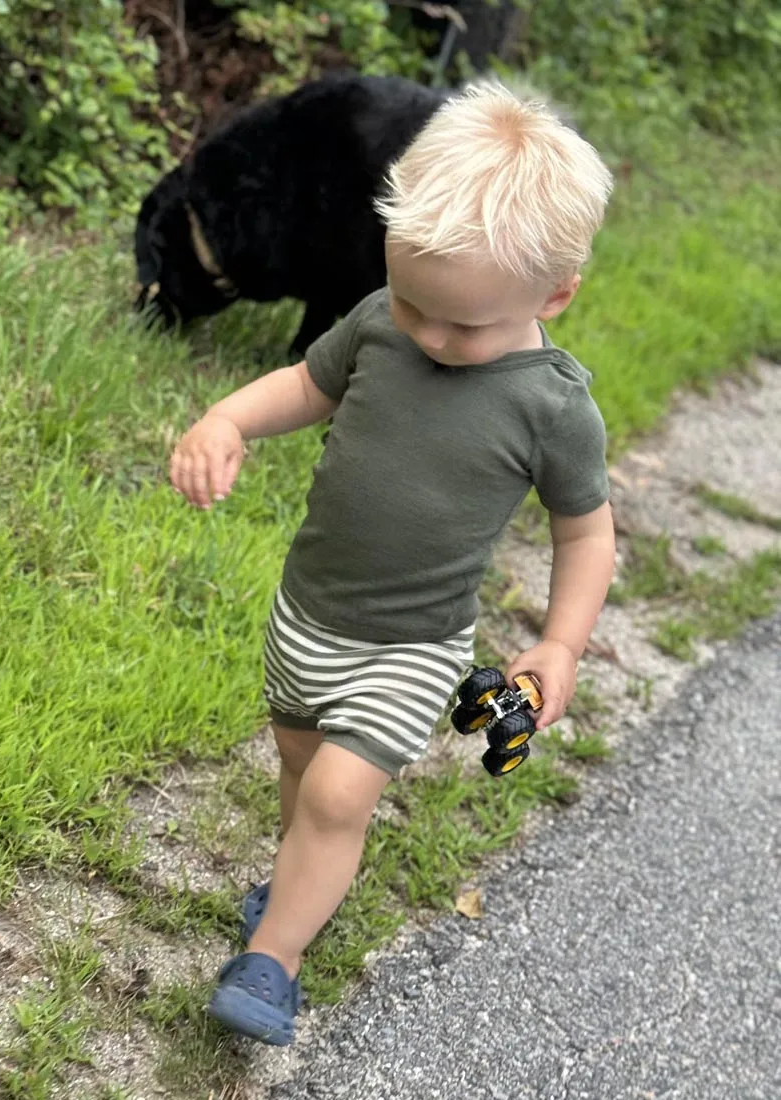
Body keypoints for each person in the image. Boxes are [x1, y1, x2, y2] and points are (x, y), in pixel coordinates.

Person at [168, 80, 617, 1046]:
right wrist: (227, 418)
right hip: (308, 617)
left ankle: (274, 959)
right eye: (414, 303)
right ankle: (299, 886)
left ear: (554, 295)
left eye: (464, 325)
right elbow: (303, 383)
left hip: (412, 646)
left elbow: (586, 531)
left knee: (338, 791)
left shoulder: (553, 408)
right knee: (301, 776)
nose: (432, 337)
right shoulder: (382, 318)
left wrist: (562, 645)